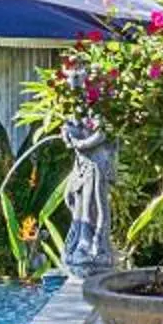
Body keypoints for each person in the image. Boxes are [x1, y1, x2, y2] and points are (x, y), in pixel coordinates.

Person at [59, 115, 118, 280]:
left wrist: (80, 144)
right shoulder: (76, 102)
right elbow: (68, 124)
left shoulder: (99, 107)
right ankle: (78, 239)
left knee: (91, 205)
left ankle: (91, 244)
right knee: (70, 198)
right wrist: (66, 134)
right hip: (81, 165)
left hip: (95, 165)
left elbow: (102, 134)